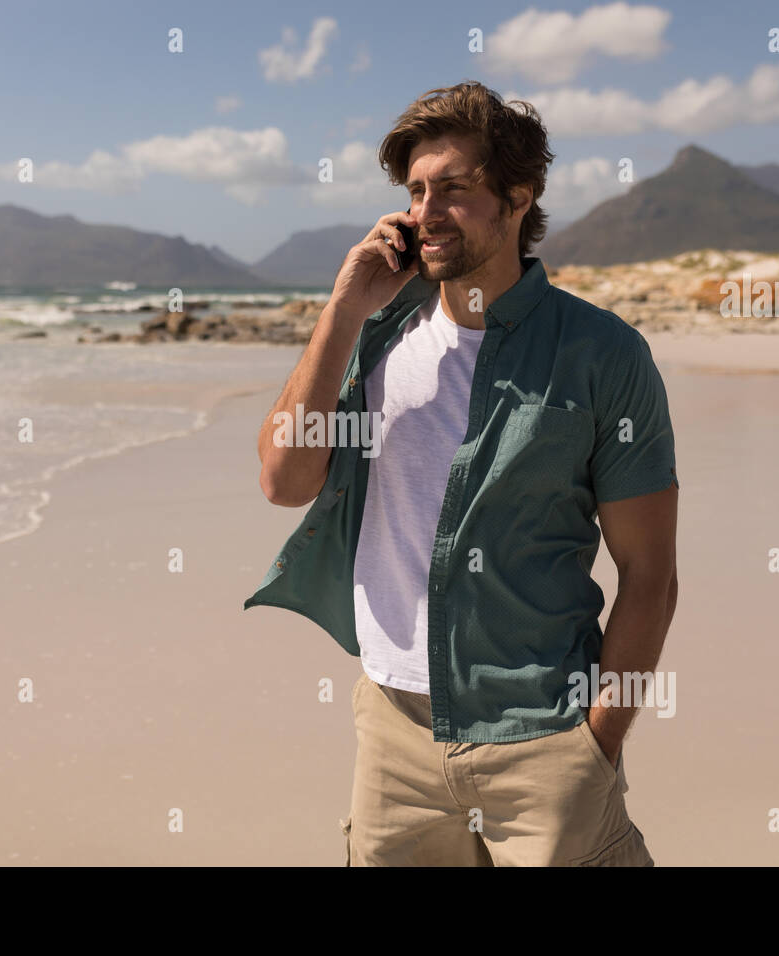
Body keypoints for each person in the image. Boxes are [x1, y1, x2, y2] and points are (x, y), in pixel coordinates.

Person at [244, 81, 679, 866]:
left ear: (518, 196)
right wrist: (343, 310)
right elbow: (283, 480)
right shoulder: (376, 337)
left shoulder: (603, 354)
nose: (426, 211)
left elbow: (650, 575)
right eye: (416, 191)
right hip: (392, 735)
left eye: (453, 188)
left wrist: (597, 744)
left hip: (546, 735)